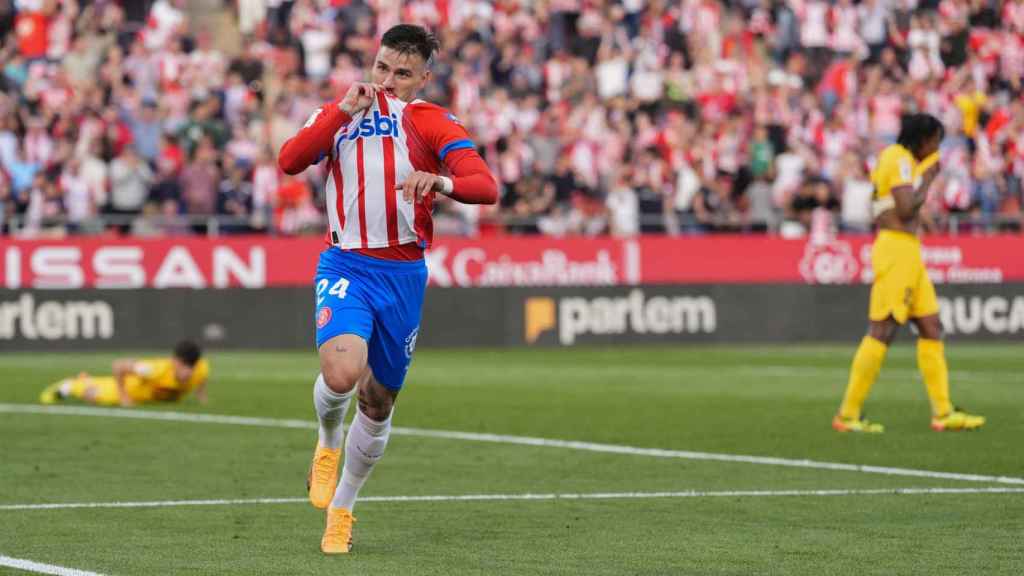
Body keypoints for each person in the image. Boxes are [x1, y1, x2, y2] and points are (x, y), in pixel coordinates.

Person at [277, 24, 498, 554]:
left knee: (377, 402)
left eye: (403, 73)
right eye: (382, 68)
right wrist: (339, 111)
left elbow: (485, 185)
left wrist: (440, 181)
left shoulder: (429, 121)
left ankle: (343, 510)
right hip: (346, 263)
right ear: (371, 64)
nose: (389, 81)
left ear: (424, 76)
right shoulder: (338, 114)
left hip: (402, 274)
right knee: (342, 371)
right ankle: (328, 442)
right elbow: (289, 160)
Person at [832, 114, 985, 434]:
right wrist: (928, 178)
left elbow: (896, 207)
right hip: (895, 252)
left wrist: (921, 214)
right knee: (883, 329)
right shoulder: (899, 158)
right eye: (934, 141)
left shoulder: (900, 162)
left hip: (909, 250)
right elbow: (904, 208)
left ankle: (943, 412)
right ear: (922, 139)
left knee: (931, 326)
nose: (936, 148)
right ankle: (847, 414)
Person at [38, 340, 209, 407]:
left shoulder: (200, 369)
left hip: (147, 397)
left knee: (100, 384)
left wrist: (201, 395)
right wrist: (123, 396)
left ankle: (85, 378)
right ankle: (69, 385)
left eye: (191, 368)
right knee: (95, 396)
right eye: (183, 366)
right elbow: (118, 365)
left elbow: (202, 375)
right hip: (130, 388)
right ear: (175, 361)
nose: (188, 372)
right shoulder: (154, 370)